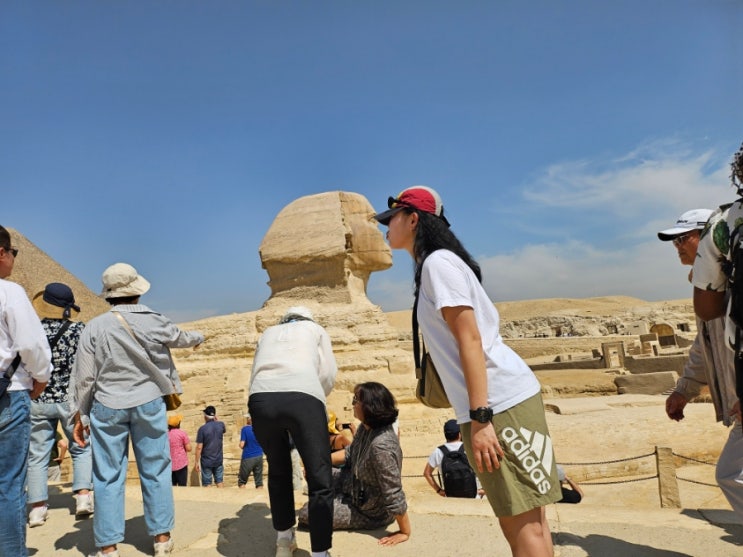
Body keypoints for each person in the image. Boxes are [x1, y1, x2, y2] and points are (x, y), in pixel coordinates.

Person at [374, 186, 561, 556]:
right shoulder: (439, 264)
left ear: (413, 220)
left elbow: (470, 339)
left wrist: (481, 419)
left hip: (498, 405)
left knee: (523, 526)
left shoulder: (437, 265)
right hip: (496, 403)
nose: (385, 226)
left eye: (391, 218)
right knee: (526, 522)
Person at [72, 262, 204, 557]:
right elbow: (180, 338)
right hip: (148, 402)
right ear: (137, 291)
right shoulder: (153, 319)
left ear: (109, 294)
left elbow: (84, 379)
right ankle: (161, 539)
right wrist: (199, 337)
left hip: (107, 405)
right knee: (156, 469)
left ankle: (108, 547)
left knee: (107, 475)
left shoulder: (94, 327)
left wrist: (81, 414)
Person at [658, 208, 743, 518]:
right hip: (738, 405)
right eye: (675, 241)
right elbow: (705, 345)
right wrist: (685, 390)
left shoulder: (735, 283)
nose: (678, 247)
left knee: (731, 474)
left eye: (683, 239)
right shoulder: (710, 286)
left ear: (709, 238)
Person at [248, 306, 337, 557]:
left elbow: (255, 371)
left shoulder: (267, 332)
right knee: (319, 477)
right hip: (303, 397)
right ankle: (320, 552)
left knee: (278, 471)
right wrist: (315, 396)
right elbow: (328, 373)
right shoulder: (315, 329)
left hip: (261, 399)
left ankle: (284, 542)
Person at [299, 381, 410, 546]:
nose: (352, 404)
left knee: (307, 513)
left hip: (370, 510)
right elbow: (350, 453)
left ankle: (334, 501)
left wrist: (404, 531)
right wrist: (317, 463)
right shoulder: (366, 429)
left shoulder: (381, 447)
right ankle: (334, 499)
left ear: (370, 406)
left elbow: (393, 491)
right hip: (353, 485)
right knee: (316, 472)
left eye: (356, 400)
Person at [0, 225, 52, 556]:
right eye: (13, 253)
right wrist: (41, 378)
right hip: (8, 395)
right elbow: (32, 345)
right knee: (8, 485)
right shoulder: (9, 292)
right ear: (1, 253)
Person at [27, 282, 94, 528]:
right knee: (81, 446)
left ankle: (37, 509)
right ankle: (83, 497)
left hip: (39, 398)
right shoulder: (79, 330)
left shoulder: (33, 330)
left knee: (37, 454)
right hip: (70, 400)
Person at [423, 419, 482, 498]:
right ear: (459, 434)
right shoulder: (468, 448)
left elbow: (427, 473)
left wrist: (439, 491)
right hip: (473, 496)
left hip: (451, 498)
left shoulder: (438, 451)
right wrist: (482, 490)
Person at [195, 405, 226, 488]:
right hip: (218, 459)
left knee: (207, 483)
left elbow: (199, 447)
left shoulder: (202, 429)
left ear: (205, 416)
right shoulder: (221, 425)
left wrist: (196, 462)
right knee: (219, 481)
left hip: (207, 461)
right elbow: (223, 430)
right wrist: (216, 420)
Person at [238, 414, 264, 489]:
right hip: (259, 456)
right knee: (259, 482)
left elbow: (242, 445)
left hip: (248, 456)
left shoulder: (245, 429)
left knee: (242, 482)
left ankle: (242, 495)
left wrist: (240, 445)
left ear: (250, 419)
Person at [167, 414, 191, 487]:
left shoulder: (166, 435)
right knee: (182, 486)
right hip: (181, 464)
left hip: (169, 465)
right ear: (178, 424)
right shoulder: (182, 434)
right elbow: (189, 448)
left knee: (172, 487)